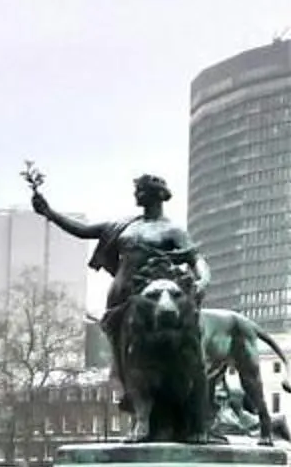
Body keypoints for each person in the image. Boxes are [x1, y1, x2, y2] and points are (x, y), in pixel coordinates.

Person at [28, 172, 204, 406]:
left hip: (150, 297)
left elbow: (196, 258)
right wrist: (50, 213)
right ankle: (130, 391)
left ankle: (173, 392)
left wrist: (203, 280)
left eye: (140, 191)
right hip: (120, 292)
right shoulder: (123, 226)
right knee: (119, 345)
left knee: (157, 343)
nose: (136, 195)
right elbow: (83, 231)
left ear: (156, 195)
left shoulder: (172, 231)